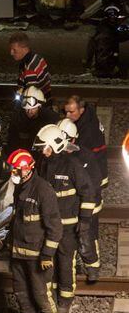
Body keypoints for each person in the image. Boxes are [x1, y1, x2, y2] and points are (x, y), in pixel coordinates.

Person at [33, 124, 95, 313]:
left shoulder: (73, 166)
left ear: (56, 145)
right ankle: (49, 297)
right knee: (47, 262)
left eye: (46, 147)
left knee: (65, 263)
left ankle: (65, 300)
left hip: (68, 226)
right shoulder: (43, 164)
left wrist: (84, 221)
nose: (43, 151)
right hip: (48, 226)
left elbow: (89, 193)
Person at [6, 149, 62, 313]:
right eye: (13, 170)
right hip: (18, 251)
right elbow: (18, 221)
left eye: (18, 170)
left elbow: (55, 227)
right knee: (20, 288)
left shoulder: (43, 190)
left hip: (37, 254)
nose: (14, 173)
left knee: (40, 291)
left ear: (29, 169)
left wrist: (47, 255)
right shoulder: (20, 187)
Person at [59, 118, 102, 282]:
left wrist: (85, 210)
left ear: (73, 139)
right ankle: (75, 264)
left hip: (86, 205)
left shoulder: (85, 156)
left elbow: (92, 185)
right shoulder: (60, 157)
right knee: (70, 239)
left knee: (86, 237)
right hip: (70, 206)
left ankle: (92, 268)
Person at [64, 95, 108, 190]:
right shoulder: (87, 117)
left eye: (71, 112)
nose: (67, 115)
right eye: (66, 111)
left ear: (81, 110)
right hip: (95, 166)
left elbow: (76, 150)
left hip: (93, 172)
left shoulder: (88, 129)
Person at [7, 86, 60, 153]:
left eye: (33, 108)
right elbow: (11, 141)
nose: (29, 111)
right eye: (27, 109)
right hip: (23, 155)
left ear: (39, 106)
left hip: (42, 155)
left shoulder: (50, 118)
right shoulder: (17, 118)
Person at [85, 5, 127, 78]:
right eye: (111, 15)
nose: (113, 17)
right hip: (104, 68)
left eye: (114, 15)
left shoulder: (109, 28)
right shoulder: (104, 32)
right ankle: (104, 70)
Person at [9, 32, 51, 102]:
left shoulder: (30, 69)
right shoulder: (37, 57)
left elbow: (30, 97)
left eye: (14, 50)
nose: (11, 53)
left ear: (24, 48)